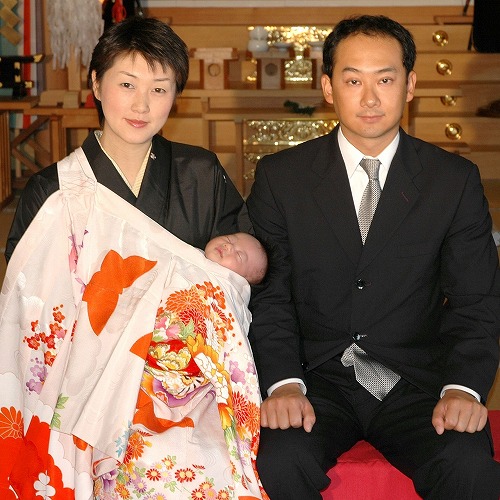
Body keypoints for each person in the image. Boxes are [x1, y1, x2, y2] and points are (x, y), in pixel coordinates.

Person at [0, 16, 266, 499]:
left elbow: (237, 285)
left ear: (175, 96)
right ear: (96, 85)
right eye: (127, 84)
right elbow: (30, 307)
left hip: (186, 390)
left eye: (159, 89)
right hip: (80, 390)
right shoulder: (55, 190)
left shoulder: (200, 173)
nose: (142, 105)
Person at [246, 14, 500, 499]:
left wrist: (463, 388)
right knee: (278, 461)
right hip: (315, 378)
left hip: (416, 382)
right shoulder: (282, 177)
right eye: (353, 80)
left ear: (410, 85)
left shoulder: (453, 181)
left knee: (467, 465)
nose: (369, 98)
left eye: (385, 80)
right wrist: (283, 383)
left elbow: (477, 300)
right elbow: (269, 295)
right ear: (327, 87)